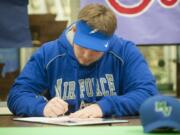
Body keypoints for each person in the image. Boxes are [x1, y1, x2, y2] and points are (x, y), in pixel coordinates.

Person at [7, 4, 158, 118]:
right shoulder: (49, 53)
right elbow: (17, 95)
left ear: (109, 41)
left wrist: (105, 107)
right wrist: (42, 107)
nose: (86, 55)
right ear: (74, 31)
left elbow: (148, 94)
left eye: (96, 50)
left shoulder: (125, 52)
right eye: (82, 46)